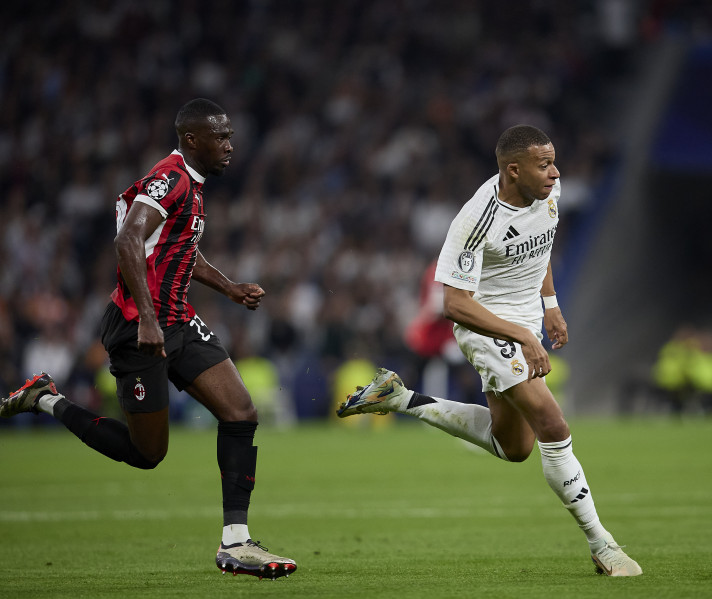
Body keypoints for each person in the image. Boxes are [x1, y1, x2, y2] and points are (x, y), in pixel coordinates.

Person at [0, 99, 296, 580]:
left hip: (178, 320)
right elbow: (128, 240)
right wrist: (149, 320)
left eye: (230, 136)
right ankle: (45, 399)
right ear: (192, 140)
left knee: (241, 412)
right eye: (220, 137)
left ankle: (236, 543)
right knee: (147, 454)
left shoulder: (194, 188)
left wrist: (231, 288)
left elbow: (180, 251)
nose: (229, 146)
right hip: (141, 328)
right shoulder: (172, 177)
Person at [337, 125, 642, 577]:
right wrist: (522, 336)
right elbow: (454, 305)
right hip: (483, 322)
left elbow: (541, 252)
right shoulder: (476, 220)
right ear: (512, 170)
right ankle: (604, 545)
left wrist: (551, 305)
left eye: (555, 162)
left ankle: (400, 398)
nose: (555, 173)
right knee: (552, 425)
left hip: (526, 320)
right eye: (545, 165)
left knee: (513, 446)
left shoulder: (546, 196)